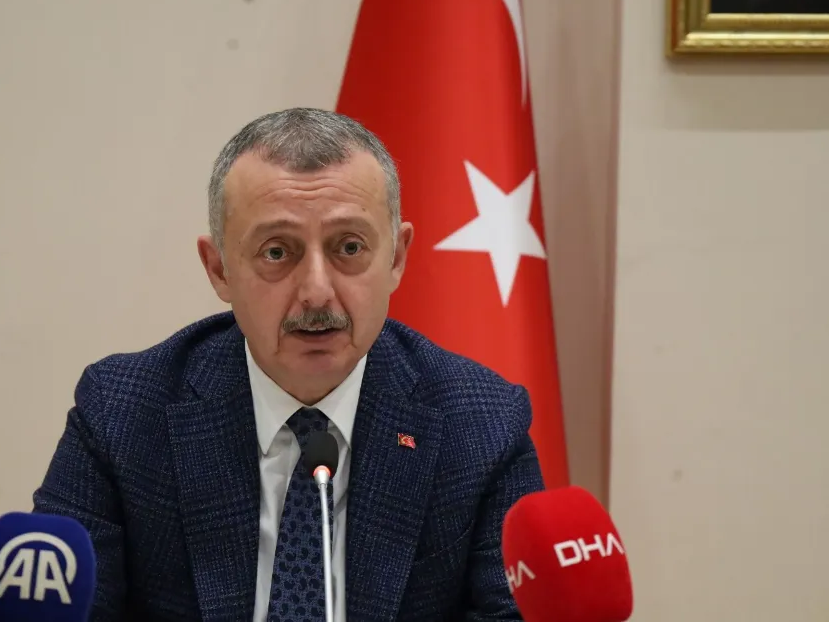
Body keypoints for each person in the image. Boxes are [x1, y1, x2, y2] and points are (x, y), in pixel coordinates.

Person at [33, 107, 546, 621]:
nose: (317, 291)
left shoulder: (481, 425)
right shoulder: (123, 415)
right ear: (219, 269)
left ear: (396, 258)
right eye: (277, 252)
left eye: (349, 247)